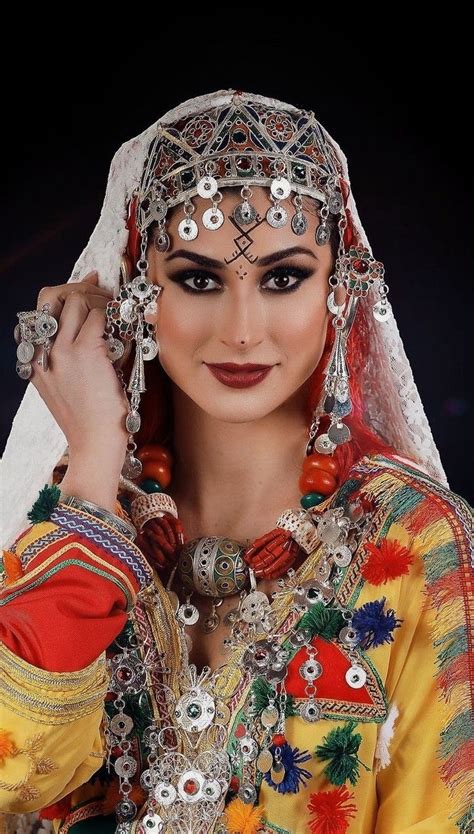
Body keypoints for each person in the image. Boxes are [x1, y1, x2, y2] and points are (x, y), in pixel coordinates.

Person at [0, 89, 472, 834]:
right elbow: (11, 772)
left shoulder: (415, 546)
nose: (243, 331)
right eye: (197, 279)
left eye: (284, 278)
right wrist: (92, 466)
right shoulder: (73, 526)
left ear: (340, 289)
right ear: (135, 291)